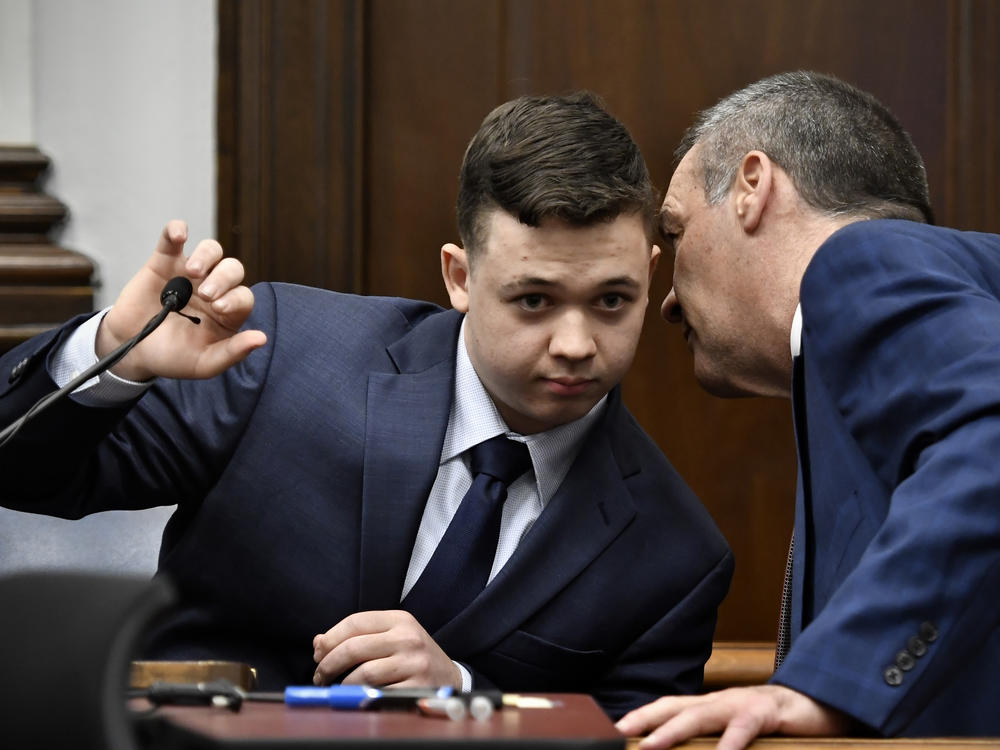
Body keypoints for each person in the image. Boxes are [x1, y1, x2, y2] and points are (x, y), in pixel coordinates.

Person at [0, 92, 732, 718]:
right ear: (460, 276)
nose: (576, 343)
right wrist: (112, 354)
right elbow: (23, 473)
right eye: (534, 300)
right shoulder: (282, 358)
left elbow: (625, 738)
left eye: (611, 300)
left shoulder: (673, 557)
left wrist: (469, 697)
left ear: (648, 273)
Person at [615, 70, 1000, 747]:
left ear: (751, 186)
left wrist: (826, 685)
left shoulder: (864, 261)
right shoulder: (895, 315)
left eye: (674, 234)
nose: (668, 301)